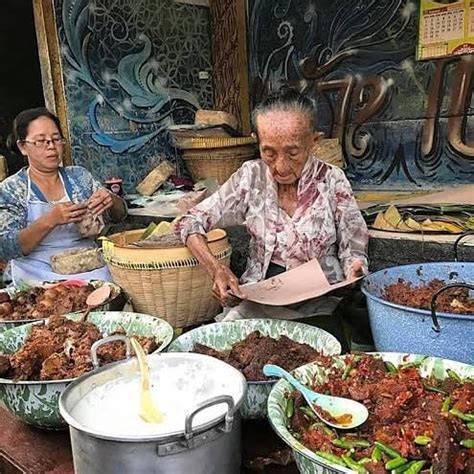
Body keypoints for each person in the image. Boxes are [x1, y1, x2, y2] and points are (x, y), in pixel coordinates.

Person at [175, 89, 369, 348]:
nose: (280, 166)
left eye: (293, 152)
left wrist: (354, 268)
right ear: (257, 143)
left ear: (314, 141)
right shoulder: (250, 177)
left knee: (319, 357)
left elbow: (353, 241)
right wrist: (217, 269)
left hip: (319, 302)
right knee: (226, 351)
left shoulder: (332, 180)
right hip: (259, 297)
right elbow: (190, 222)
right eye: (269, 153)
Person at [0, 107, 127, 285]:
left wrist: (111, 200)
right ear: (23, 147)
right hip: (37, 277)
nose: (51, 146)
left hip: (90, 269)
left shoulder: (79, 177)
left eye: (56, 139)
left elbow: (120, 216)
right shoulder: (12, 189)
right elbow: (5, 248)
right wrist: (50, 219)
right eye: (41, 141)